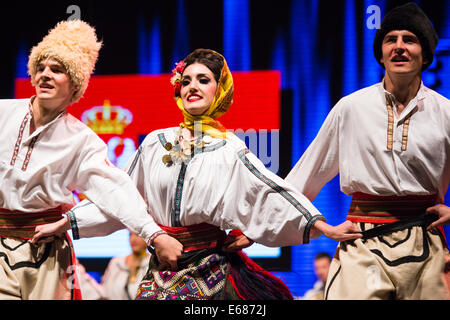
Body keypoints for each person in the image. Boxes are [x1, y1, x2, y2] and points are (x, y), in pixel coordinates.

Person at [34, 48, 361, 300]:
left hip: (211, 268)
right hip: (161, 269)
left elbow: (269, 191)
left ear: (220, 89)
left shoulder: (230, 149)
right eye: (186, 80)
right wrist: (67, 222)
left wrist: (324, 227)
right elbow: (122, 196)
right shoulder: (155, 143)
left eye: (203, 80)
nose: (192, 86)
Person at [0, 20, 179, 300]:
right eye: (41, 68)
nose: (45, 75)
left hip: (44, 252)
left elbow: (115, 190)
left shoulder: (81, 140)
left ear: (74, 86)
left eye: (57, 70)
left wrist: (154, 235)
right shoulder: (2, 113)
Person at [286, 2, 450, 300]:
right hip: (362, 240)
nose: (399, 47)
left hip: (424, 243)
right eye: (391, 39)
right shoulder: (351, 108)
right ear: (381, 53)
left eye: (409, 39)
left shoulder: (445, 112)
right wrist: (318, 225)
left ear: (425, 54)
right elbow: (303, 176)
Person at [100, 230, 151, 300]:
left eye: (137, 235)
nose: (133, 239)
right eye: (130, 235)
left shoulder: (153, 264)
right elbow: (105, 290)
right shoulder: (116, 262)